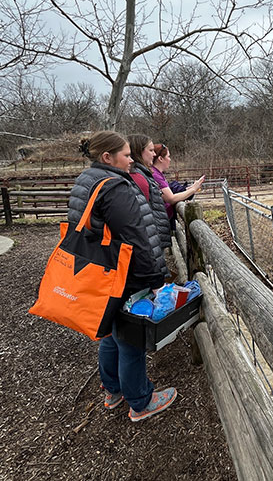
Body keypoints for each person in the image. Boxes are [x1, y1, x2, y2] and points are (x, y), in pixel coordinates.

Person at [68, 130, 176, 422]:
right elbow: (135, 238)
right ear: (108, 157)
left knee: (110, 334)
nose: (132, 160)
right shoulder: (114, 187)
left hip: (97, 271)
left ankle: (112, 390)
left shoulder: (86, 179)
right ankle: (141, 401)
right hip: (123, 274)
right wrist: (155, 280)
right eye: (127, 155)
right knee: (131, 340)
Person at [127, 134, 171, 258]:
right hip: (149, 239)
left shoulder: (144, 173)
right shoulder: (138, 177)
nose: (154, 154)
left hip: (153, 236)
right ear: (139, 151)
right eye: (151, 150)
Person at [151, 142, 205, 231]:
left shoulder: (158, 174)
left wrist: (189, 189)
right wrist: (193, 189)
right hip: (160, 224)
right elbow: (171, 198)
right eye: (168, 156)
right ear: (160, 158)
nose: (170, 159)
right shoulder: (156, 175)